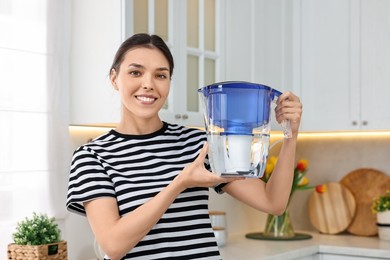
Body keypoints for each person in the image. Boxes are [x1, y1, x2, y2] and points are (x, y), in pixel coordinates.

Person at [66, 33, 302, 260]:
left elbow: (274, 203)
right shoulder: (92, 156)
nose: (148, 84)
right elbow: (113, 245)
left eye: (160, 75)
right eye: (136, 72)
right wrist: (180, 183)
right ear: (114, 78)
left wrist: (291, 134)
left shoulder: (196, 143)